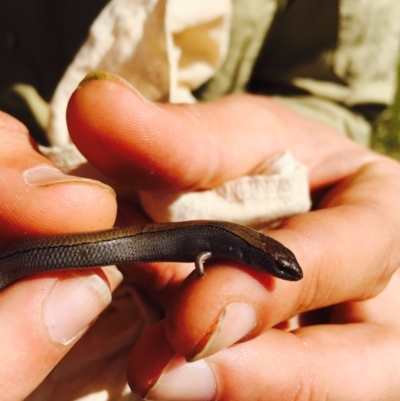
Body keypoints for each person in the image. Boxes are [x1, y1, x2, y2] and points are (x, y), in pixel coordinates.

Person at [1, 1, 400, 400]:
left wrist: (329, 168)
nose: (283, 270)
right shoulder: (229, 244)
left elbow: (330, 95)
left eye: (281, 264)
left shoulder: (234, 244)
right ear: (260, 256)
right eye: (279, 265)